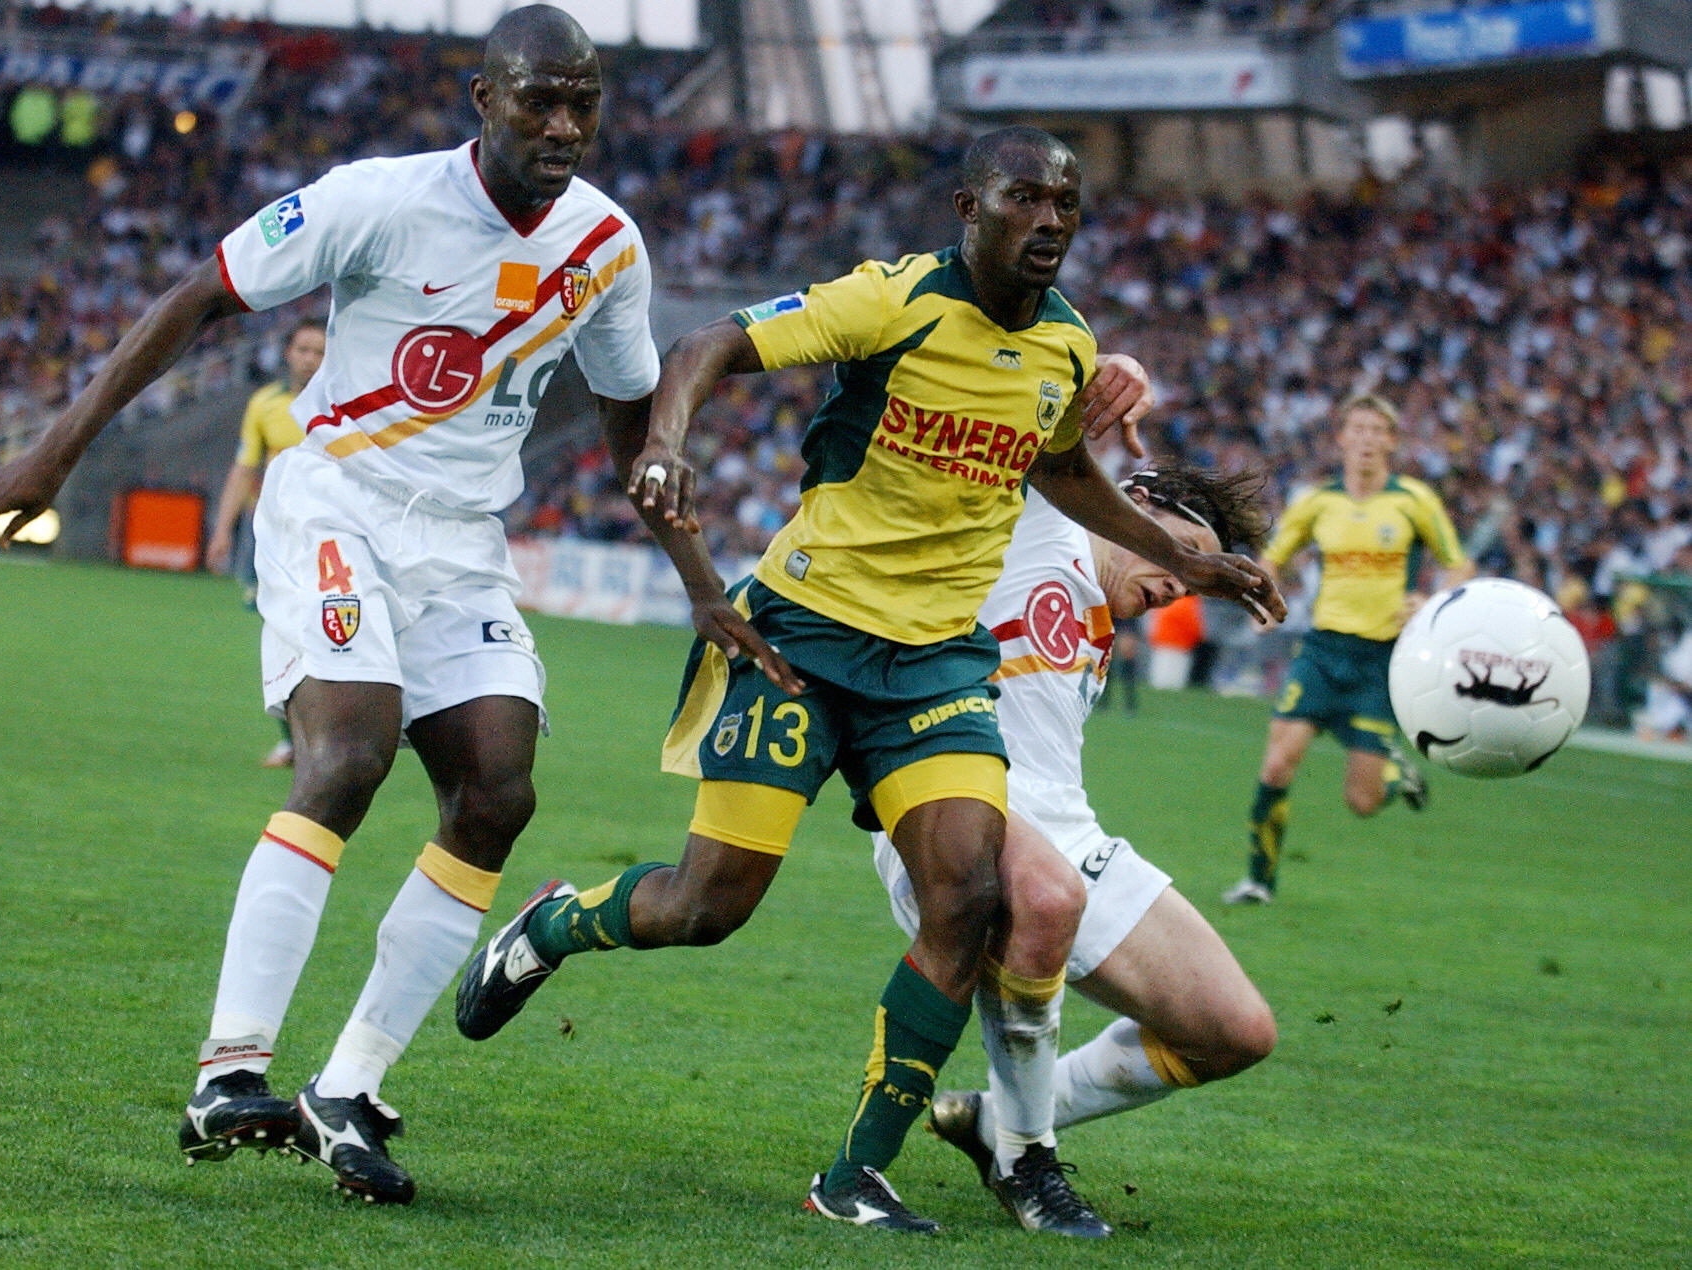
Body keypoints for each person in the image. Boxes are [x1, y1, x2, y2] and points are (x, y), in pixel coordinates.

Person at [453, 126, 1284, 1234]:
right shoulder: (891, 302)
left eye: (1066, 206)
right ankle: (559, 921)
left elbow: (1067, 471)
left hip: (933, 665)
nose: (1048, 221)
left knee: (973, 895)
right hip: (800, 638)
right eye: (1024, 199)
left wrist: (1188, 561)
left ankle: (855, 1172)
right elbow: (707, 343)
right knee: (709, 906)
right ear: (966, 208)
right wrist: (666, 436)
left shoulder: (1065, 350)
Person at [0, 6, 660, 1205]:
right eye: (538, 97)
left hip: (463, 544)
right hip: (337, 499)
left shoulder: (609, 248)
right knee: (351, 754)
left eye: (582, 100)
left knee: (498, 788)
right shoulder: (377, 197)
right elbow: (200, 292)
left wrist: (699, 580)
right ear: (482, 100)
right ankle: (231, 1068)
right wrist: (56, 452)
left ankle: (350, 1088)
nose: (562, 123)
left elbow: (634, 415)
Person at [873, 466, 1278, 1238]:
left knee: (1236, 1031)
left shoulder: (1099, 616)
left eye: (1198, 574)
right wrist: (1106, 372)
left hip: (1069, 832)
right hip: (951, 805)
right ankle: (1028, 1160)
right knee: (1049, 897)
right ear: (1137, 506)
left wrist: (1197, 565)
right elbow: (1032, 411)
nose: (1181, 583)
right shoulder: (1039, 523)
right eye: (1182, 553)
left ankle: (1002, 1118)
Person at [1224, 393, 1472, 905]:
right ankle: (1258, 881)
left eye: (1376, 430)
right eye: (1355, 428)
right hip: (1321, 652)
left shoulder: (1413, 501)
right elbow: (1273, 558)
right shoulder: (1318, 502)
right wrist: (1264, 598)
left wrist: (1431, 600)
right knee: (1276, 765)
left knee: (1361, 802)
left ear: (1391, 441)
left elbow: (1458, 564)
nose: (1365, 439)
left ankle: (1395, 772)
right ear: (1341, 438)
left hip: (1381, 661)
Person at [206, 320, 326, 767]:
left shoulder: (346, 404)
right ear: (288, 353)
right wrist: (222, 529)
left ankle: (323, 735)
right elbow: (243, 469)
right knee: (278, 630)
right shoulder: (265, 404)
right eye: (303, 349)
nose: (310, 359)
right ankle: (294, 740)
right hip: (273, 538)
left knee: (324, 631)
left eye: (320, 351)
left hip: (327, 537)